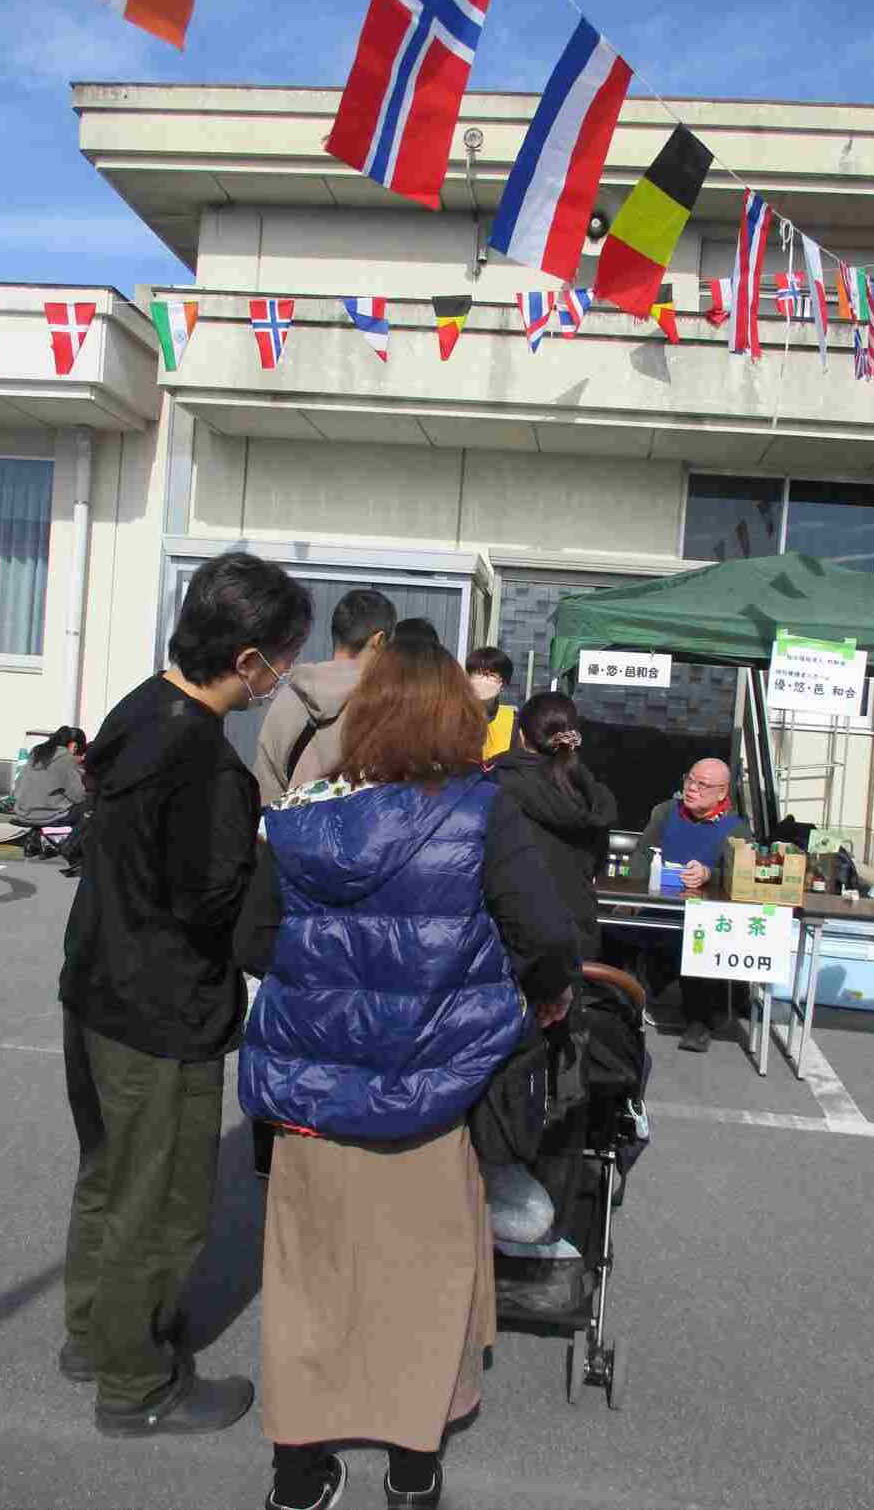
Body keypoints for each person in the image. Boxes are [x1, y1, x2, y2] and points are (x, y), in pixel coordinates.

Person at [235, 638, 579, 1510]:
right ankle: (413, 1466)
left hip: (312, 1092)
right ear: (459, 718)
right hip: (430, 1091)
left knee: (308, 1279)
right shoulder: (480, 810)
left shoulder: (302, 810)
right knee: (422, 1278)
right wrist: (543, 997)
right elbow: (543, 934)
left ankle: (297, 1474)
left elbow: (248, 942)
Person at [58, 552, 312, 1437]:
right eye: (282, 659)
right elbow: (214, 904)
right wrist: (279, 863)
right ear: (248, 661)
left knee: (108, 1175)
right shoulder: (203, 759)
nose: (282, 677)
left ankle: (95, 1333)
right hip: (159, 1005)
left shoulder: (138, 706)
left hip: (94, 979)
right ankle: (137, 1385)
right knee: (159, 1202)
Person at [629, 758, 752, 1053]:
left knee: (698, 942)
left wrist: (711, 875)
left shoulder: (737, 829)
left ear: (722, 793)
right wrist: (634, 895)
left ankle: (700, 1021)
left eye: (702, 785)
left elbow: (742, 877)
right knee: (611, 931)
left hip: (705, 918)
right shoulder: (665, 812)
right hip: (658, 908)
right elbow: (642, 856)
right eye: (689, 780)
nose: (692, 788)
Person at [493, 692, 617, 959]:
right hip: (577, 932)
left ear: (521, 735)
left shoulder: (496, 783)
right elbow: (597, 863)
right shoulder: (589, 792)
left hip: (512, 937)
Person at [254, 587, 395, 798]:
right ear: (379, 640)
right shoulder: (388, 708)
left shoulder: (290, 697)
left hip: (290, 827)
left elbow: (266, 788)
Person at [12, 726, 88, 825]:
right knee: (88, 806)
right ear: (74, 746)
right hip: (48, 818)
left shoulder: (36, 753)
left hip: (22, 814)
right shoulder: (66, 757)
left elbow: (18, 787)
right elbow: (78, 796)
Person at [466, 646, 517, 761]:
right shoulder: (450, 715)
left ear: (503, 685)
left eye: (492, 676)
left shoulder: (514, 721)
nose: (484, 680)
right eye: (479, 673)